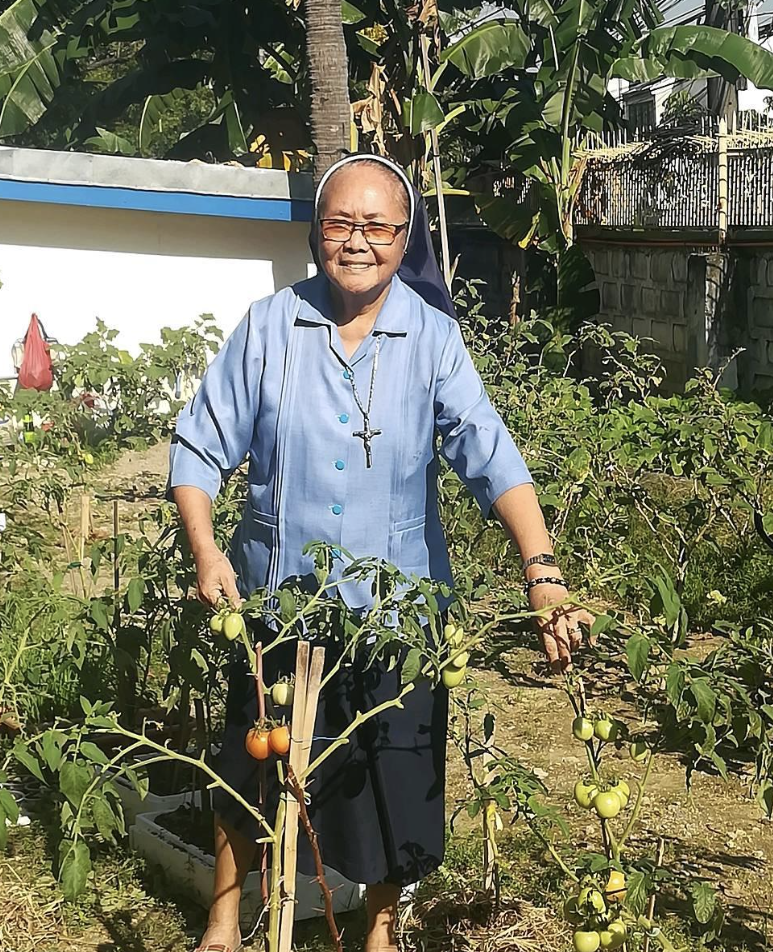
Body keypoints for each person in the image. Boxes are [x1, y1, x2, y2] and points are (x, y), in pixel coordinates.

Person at [168, 154, 594, 952]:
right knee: (250, 768)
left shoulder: (431, 338)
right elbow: (198, 450)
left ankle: (379, 930)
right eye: (340, 223)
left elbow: (490, 458)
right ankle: (224, 924)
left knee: (393, 771)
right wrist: (205, 552)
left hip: (393, 614)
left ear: (405, 239)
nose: (357, 242)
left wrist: (542, 575)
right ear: (315, 232)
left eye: (378, 227)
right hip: (273, 598)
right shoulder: (268, 326)